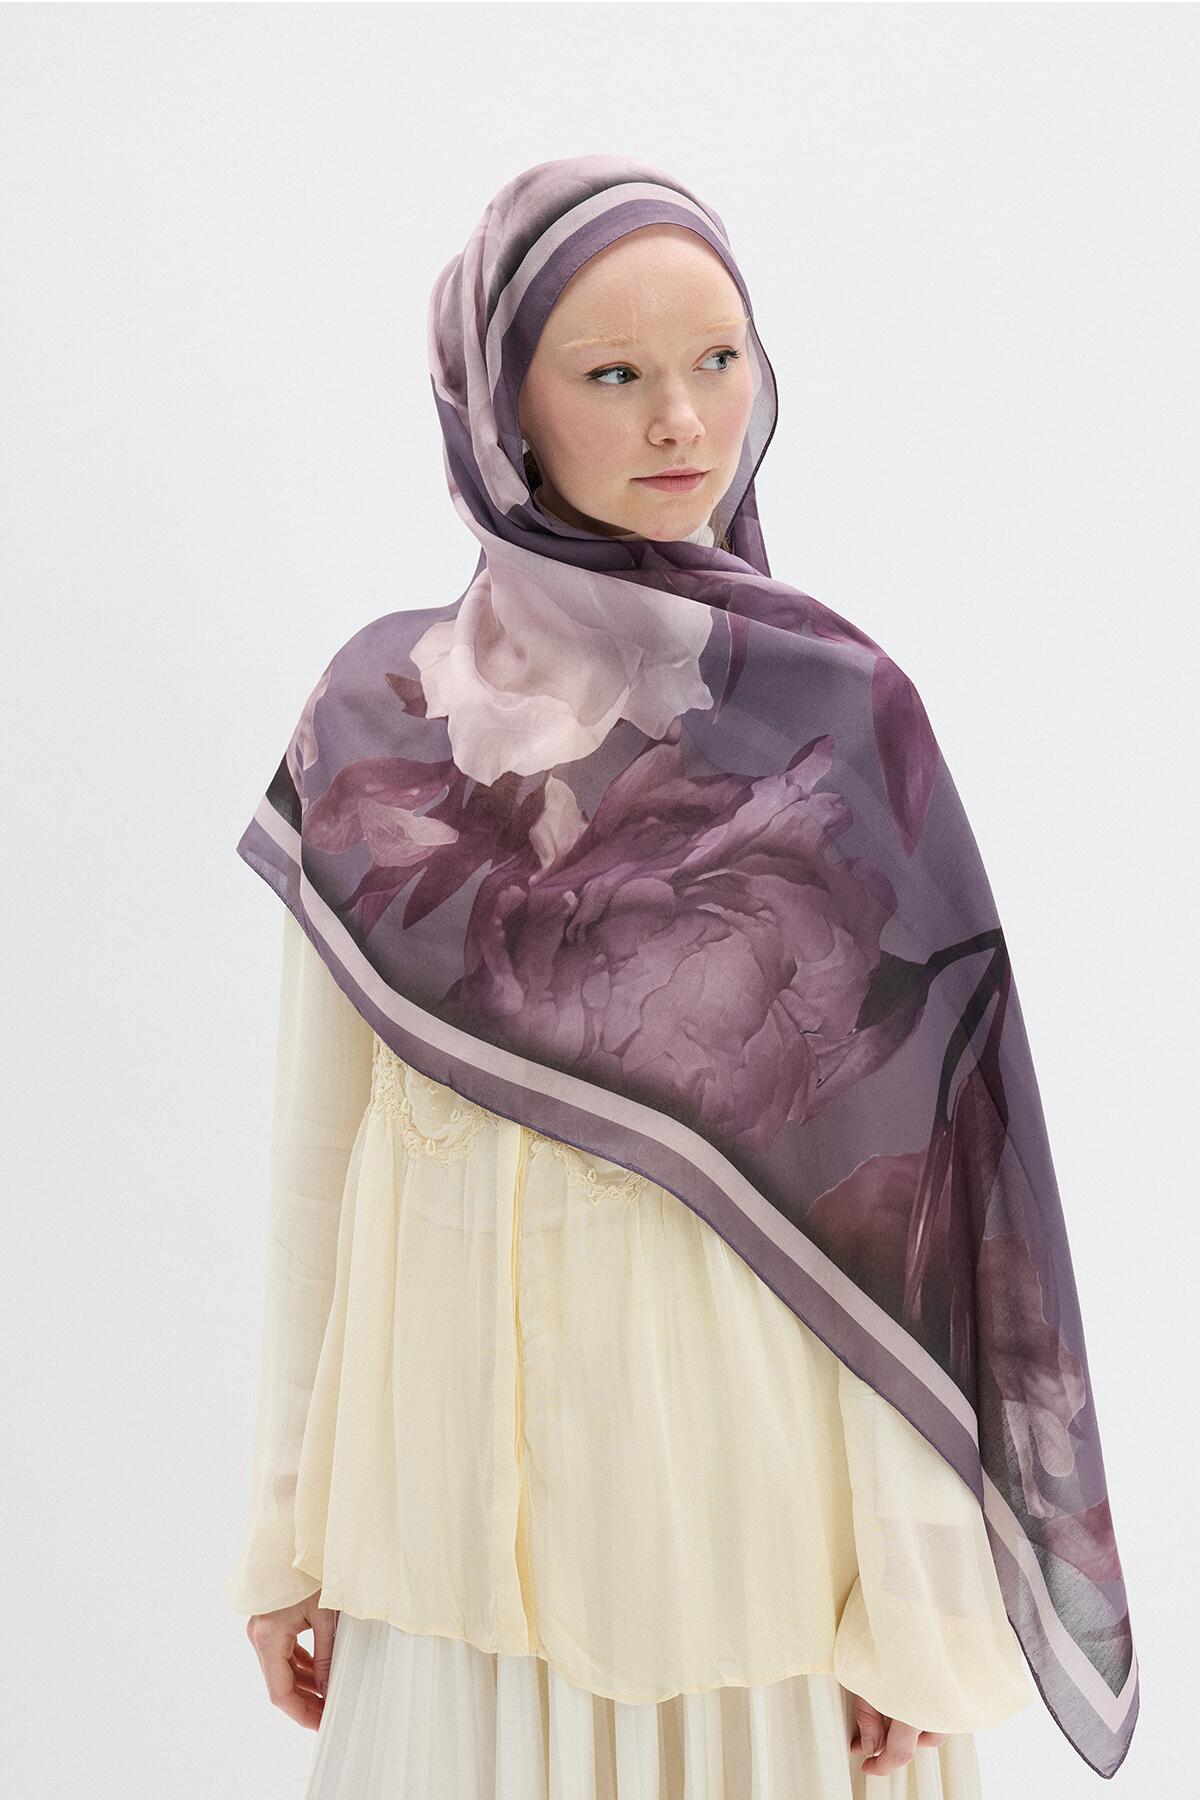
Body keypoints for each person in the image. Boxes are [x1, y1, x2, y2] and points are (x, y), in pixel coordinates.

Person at [225, 156, 1136, 1798]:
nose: (682, 423)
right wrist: (288, 1531)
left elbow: (911, 1216)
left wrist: (919, 1611)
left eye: (719, 359)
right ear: (500, 408)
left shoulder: (836, 727)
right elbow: (318, 1165)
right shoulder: (379, 726)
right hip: (440, 1546)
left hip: (745, 1558)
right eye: (613, 374)